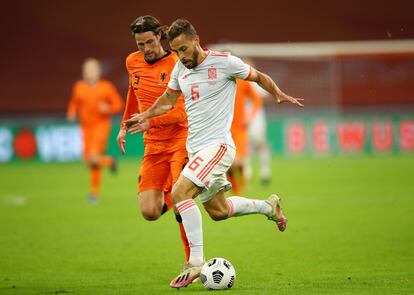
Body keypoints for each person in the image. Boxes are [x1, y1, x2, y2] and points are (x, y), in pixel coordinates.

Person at [125, 18, 304, 289]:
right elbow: (168, 101)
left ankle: (196, 262)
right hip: (196, 149)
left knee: (179, 193)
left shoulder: (224, 62)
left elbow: (258, 77)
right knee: (219, 211)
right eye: (175, 51)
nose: (181, 56)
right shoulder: (179, 69)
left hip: (218, 147)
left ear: (196, 40)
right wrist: (146, 115)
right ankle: (269, 207)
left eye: (184, 49)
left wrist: (278, 93)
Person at [116, 15, 190, 263]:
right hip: (153, 144)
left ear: (160, 36)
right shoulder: (132, 62)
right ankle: (183, 191)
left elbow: (181, 112)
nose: (146, 49)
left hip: (180, 138)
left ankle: (192, 262)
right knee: (150, 211)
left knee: (182, 202)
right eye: (140, 44)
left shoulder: (177, 63)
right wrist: (124, 126)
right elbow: (132, 91)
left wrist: (150, 121)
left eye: (150, 42)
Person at [67, 58, 124, 201]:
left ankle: (94, 192)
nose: (89, 73)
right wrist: (72, 112)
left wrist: (108, 108)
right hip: (85, 128)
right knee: (89, 161)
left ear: (98, 71)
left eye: (92, 70)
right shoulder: (79, 87)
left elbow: (119, 104)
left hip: (101, 126)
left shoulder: (106, 87)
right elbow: (74, 102)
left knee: (93, 157)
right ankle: (108, 164)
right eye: (86, 70)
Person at [227, 78, 262, 195]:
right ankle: (236, 193)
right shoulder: (216, 78)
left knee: (236, 162)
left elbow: (256, 99)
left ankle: (238, 191)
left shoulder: (241, 80)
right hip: (224, 128)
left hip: (239, 128)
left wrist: (250, 116)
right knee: (228, 164)